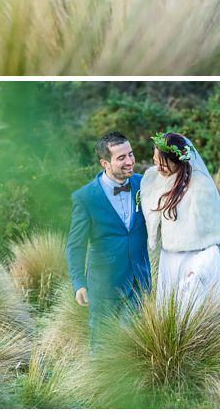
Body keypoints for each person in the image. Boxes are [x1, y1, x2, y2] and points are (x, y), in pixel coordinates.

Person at [67, 131, 152, 337]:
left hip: (140, 280)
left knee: (136, 343)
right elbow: (75, 244)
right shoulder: (85, 197)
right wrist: (79, 282)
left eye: (130, 154)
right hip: (104, 284)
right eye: (121, 157)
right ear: (105, 163)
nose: (130, 161)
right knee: (102, 343)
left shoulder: (145, 184)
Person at [140, 131, 220, 312]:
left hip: (193, 260)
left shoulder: (200, 186)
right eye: (155, 162)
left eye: (164, 164)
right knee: (168, 310)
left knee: (191, 309)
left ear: (178, 161)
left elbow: (213, 236)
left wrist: (199, 269)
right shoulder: (152, 179)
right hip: (168, 259)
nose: (159, 169)